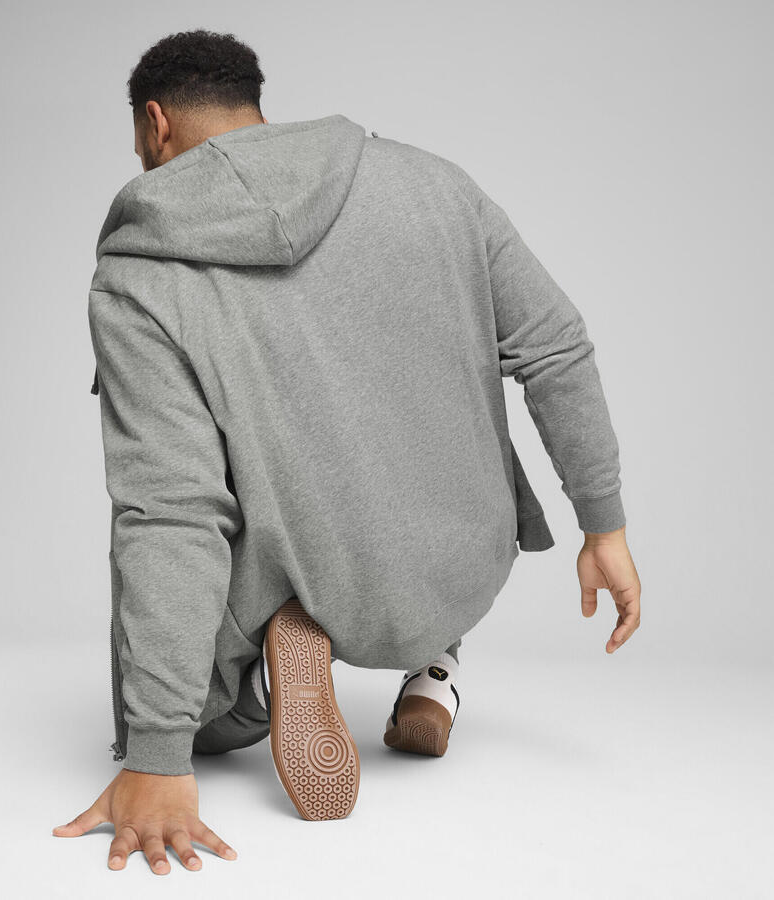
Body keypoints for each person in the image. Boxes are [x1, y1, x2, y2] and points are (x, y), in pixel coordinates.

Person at [53, 27, 641, 874]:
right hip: (465, 560)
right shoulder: (434, 182)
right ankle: (434, 667)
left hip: (315, 568)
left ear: (156, 124)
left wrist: (157, 753)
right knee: (405, 424)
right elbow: (554, 348)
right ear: (255, 107)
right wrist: (603, 525)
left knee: (206, 713)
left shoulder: (141, 275)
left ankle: (265, 680)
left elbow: (173, 509)